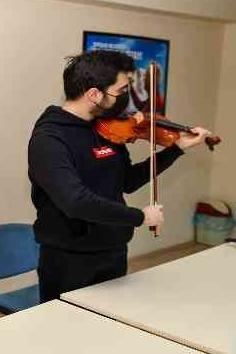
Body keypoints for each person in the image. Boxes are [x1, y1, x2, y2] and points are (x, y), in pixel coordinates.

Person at [28, 50, 212, 303]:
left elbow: (128, 180)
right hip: (69, 259)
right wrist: (140, 216)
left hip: (113, 250)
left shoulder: (107, 129)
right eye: (121, 91)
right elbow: (75, 201)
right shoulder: (49, 139)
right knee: (67, 336)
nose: (127, 99)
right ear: (94, 94)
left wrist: (176, 149)